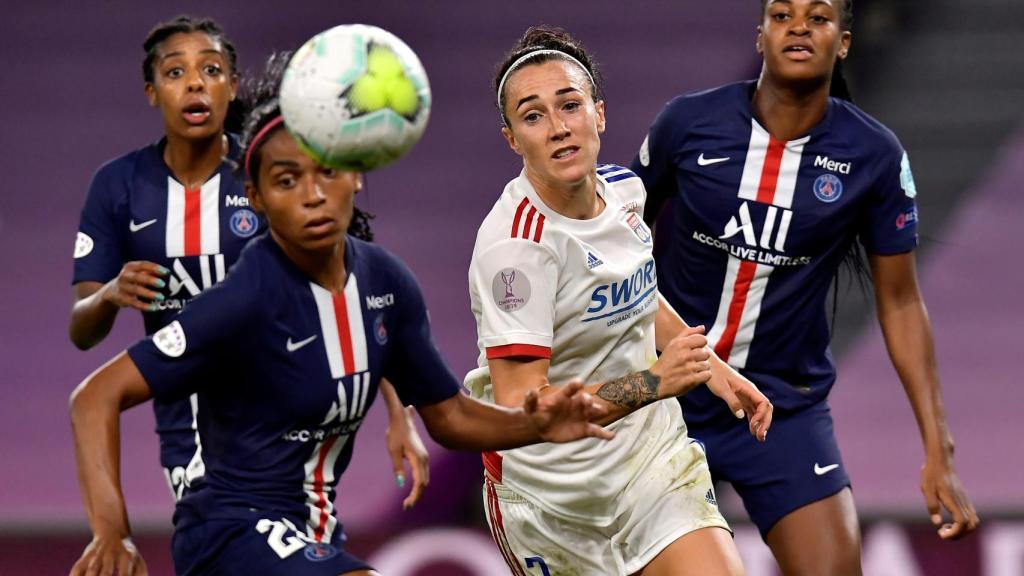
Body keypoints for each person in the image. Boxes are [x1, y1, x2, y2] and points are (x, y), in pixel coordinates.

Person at [69, 51, 614, 576]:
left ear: (355, 175)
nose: (312, 194)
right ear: (256, 198)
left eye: (327, 171)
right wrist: (112, 532)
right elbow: (94, 398)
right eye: (286, 181)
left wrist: (533, 424)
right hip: (229, 534)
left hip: (316, 535)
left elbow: (449, 416)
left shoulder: (385, 282)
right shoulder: (247, 297)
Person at [631, 1, 980, 574]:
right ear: (760, 36)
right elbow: (612, 246)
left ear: (843, 42)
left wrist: (937, 446)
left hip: (783, 408)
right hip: (667, 395)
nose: (798, 27)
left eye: (817, 17)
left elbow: (900, 301)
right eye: (781, 14)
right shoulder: (687, 123)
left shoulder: (873, 156)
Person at [69, 16, 429, 507]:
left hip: (289, 416)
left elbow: (352, 290)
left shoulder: (271, 175)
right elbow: (82, 329)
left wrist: (399, 412)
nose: (195, 83)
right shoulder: (118, 186)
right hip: (190, 434)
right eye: (175, 72)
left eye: (211, 69)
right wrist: (110, 295)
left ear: (233, 85)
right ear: (152, 92)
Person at [465, 26, 773, 576]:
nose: (558, 127)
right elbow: (521, 406)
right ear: (512, 139)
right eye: (533, 116)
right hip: (551, 501)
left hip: (650, 465)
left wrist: (711, 368)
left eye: (570, 105)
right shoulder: (515, 248)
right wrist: (653, 382)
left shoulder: (625, 190)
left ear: (599, 114)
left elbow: (637, 293)